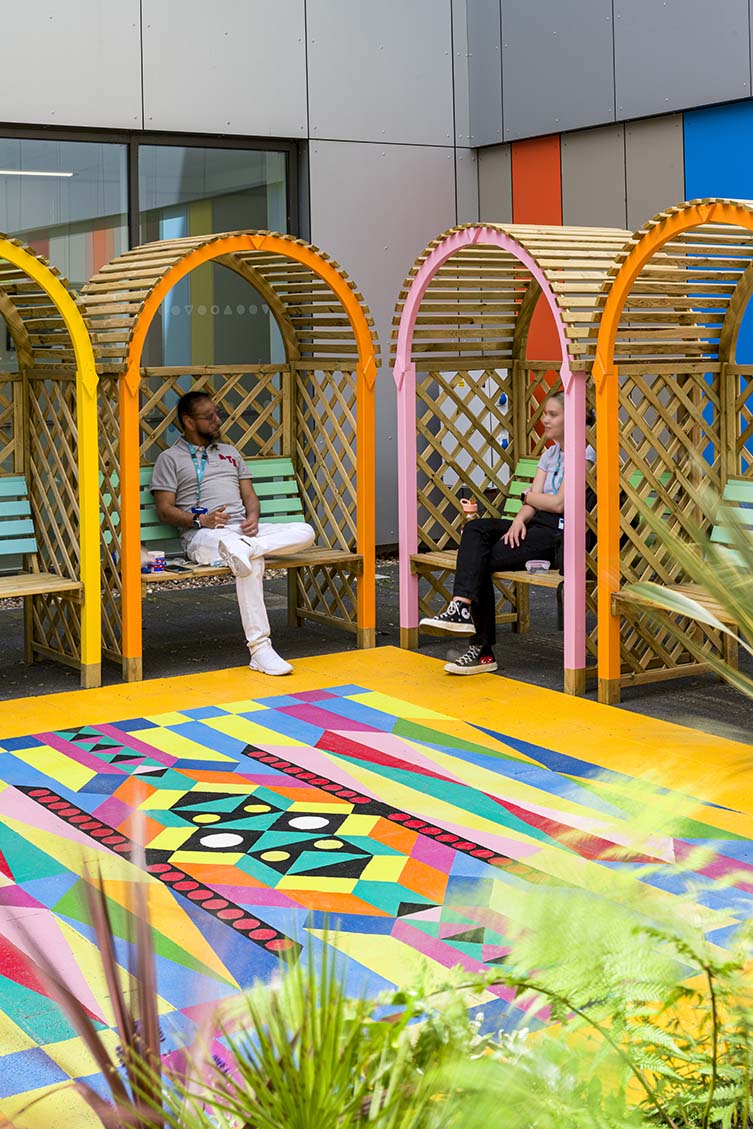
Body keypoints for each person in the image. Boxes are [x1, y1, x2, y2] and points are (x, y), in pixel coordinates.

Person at [419, 393, 595, 675]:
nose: (545, 419)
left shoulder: (586, 454)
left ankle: (482, 650)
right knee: (476, 529)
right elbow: (534, 500)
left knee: (482, 561)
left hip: (562, 534)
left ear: (571, 418)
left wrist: (529, 499)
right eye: (545, 413)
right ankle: (460, 607)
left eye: (553, 414)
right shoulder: (550, 454)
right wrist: (518, 520)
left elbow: (560, 504)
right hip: (536, 523)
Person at [151, 390, 315, 676]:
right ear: (189, 422)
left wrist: (252, 518)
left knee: (305, 531)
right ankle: (260, 649)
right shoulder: (170, 458)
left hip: (243, 532)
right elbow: (165, 510)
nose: (217, 421)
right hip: (204, 536)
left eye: (217, 414)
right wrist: (200, 521)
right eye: (209, 417)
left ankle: (245, 548)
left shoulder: (230, 452)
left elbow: (249, 496)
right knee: (251, 562)